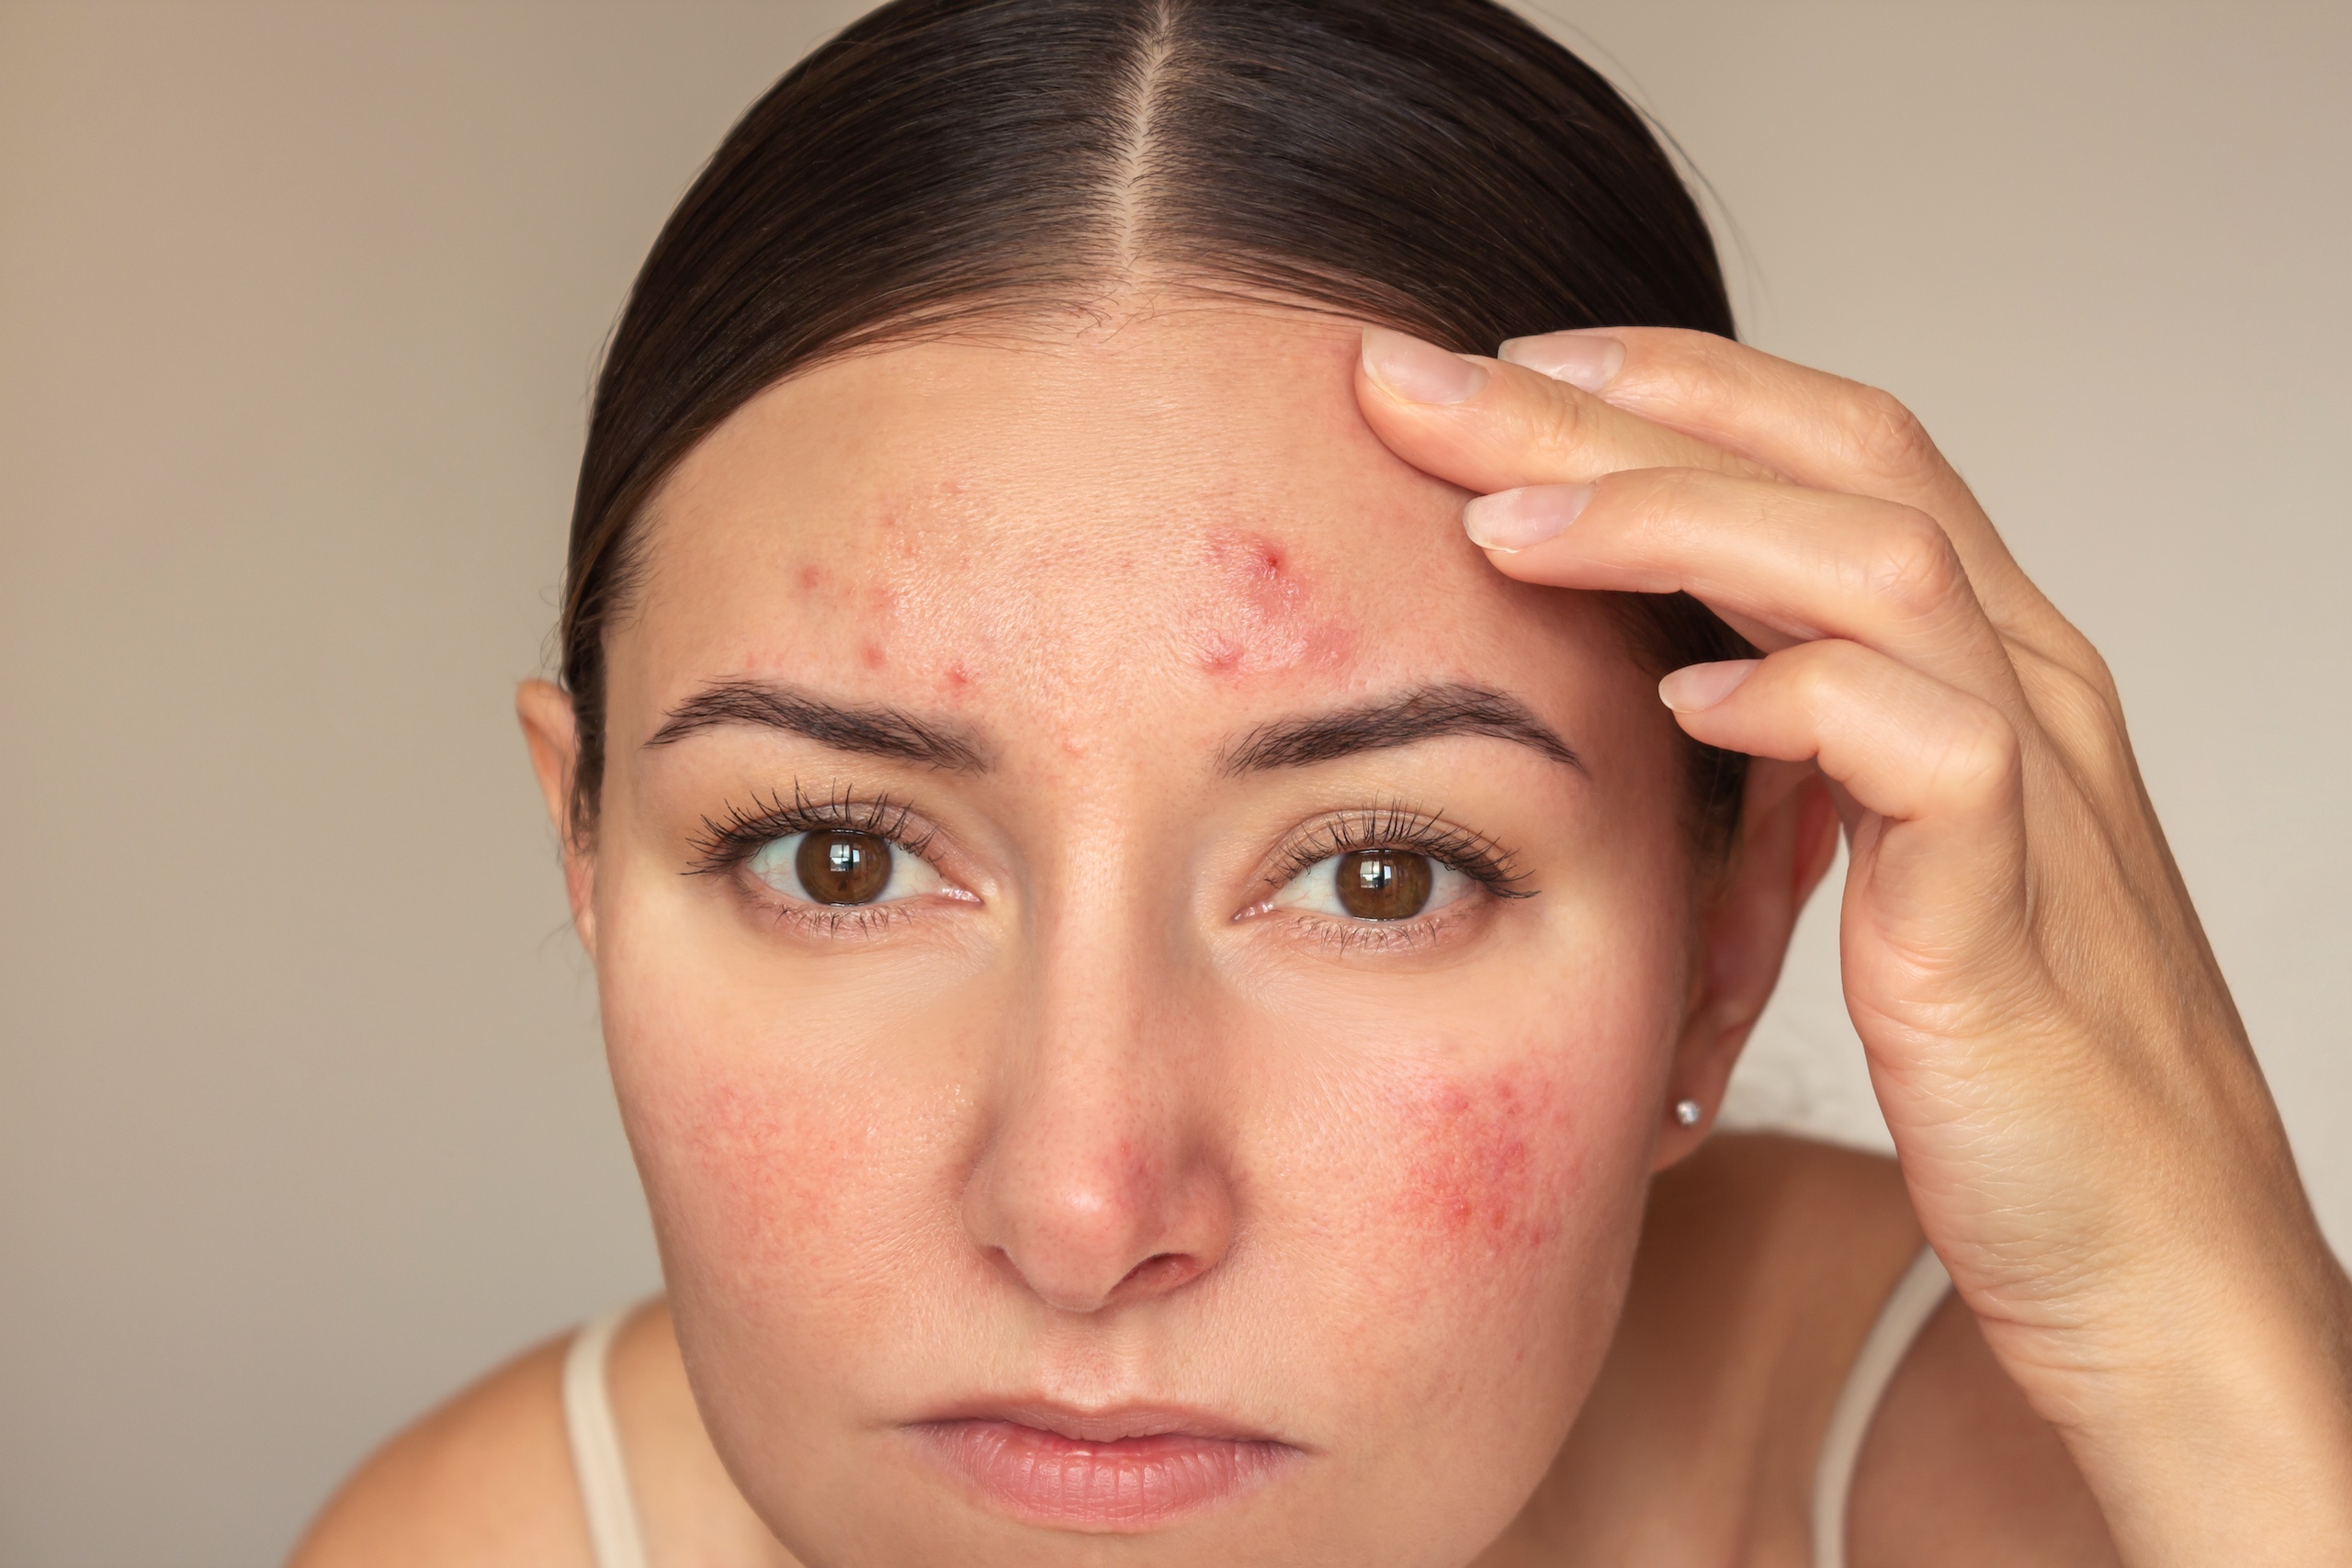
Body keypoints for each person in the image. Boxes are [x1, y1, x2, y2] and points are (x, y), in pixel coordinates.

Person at [288, 0, 2352, 1562]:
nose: (1086, 1208)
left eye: (1378, 876)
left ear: (1729, 932)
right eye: (836, 850)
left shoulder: (2024, 1487)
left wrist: (2227, 1370)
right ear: (580, 853)